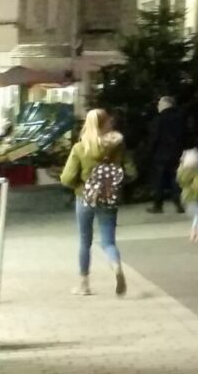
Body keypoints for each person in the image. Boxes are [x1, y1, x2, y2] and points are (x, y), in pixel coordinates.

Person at [60, 108, 135, 296]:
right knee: (109, 241)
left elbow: (67, 178)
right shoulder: (118, 146)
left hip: (85, 197)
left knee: (85, 241)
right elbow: (132, 172)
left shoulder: (80, 148)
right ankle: (116, 265)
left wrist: (82, 186)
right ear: (107, 123)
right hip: (109, 197)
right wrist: (115, 183)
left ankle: (84, 285)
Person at [145, 95, 190, 213]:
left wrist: (149, 152)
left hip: (161, 154)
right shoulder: (180, 118)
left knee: (159, 180)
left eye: (160, 104)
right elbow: (186, 135)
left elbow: (154, 138)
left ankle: (158, 205)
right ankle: (179, 203)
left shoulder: (158, 119)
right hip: (177, 153)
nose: (158, 106)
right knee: (176, 179)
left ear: (166, 104)